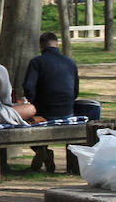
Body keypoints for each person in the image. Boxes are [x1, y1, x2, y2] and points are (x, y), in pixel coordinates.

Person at [21, 32, 81, 170]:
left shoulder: (37, 62)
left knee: (21, 121)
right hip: (67, 112)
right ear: (57, 44)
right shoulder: (70, 63)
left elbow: (28, 88)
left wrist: (33, 102)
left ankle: (43, 151)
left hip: (44, 112)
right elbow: (75, 91)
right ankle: (69, 164)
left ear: (41, 46)